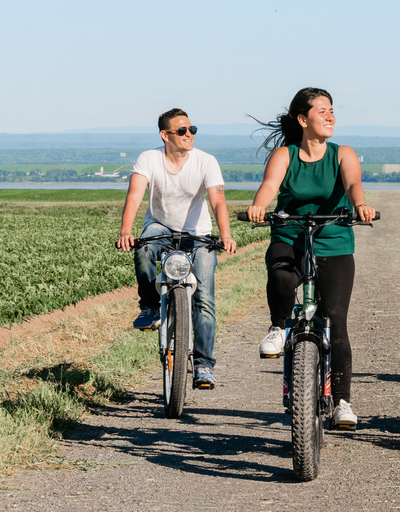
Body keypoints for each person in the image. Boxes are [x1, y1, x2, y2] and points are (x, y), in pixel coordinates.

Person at [246, 87, 376, 427]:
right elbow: (270, 186)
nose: (330, 115)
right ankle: (278, 326)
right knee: (281, 276)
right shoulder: (285, 155)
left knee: (335, 318)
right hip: (290, 235)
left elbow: (353, 184)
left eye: (331, 109)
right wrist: (260, 206)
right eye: (322, 110)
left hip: (333, 241)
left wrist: (360, 204)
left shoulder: (342, 153)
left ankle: (343, 402)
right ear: (303, 119)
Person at [117, 108, 236, 390]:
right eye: (182, 130)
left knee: (204, 298)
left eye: (192, 129)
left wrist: (226, 234)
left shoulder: (206, 161)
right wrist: (125, 231)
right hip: (161, 226)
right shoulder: (149, 158)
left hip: (198, 233)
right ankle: (149, 307)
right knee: (144, 250)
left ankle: (204, 364)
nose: (189, 134)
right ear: (165, 135)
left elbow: (218, 201)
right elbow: (135, 195)